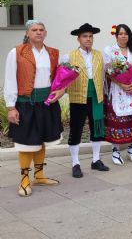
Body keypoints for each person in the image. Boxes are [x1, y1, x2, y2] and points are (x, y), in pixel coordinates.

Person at [4, 20, 64, 196]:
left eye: (41, 29)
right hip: (25, 104)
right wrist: (10, 107)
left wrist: (60, 91)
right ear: (27, 33)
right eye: (34, 30)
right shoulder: (16, 52)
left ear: (45, 33)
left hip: (47, 104)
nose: (38, 32)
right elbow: (9, 80)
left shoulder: (53, 53)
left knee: (42, 139)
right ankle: (24, 180)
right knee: (27, 143)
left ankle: (39, 175)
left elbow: (60, 79)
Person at [66, 23, 110, 177]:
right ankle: (75, 163)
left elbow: (108, 72)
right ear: (78, 39)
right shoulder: (69, 56)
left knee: (97, 127)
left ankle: (96, 160)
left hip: (96, 96)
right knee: (76, 128)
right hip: (78, 96)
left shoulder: (100, 55)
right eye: (85, 36)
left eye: (91, 36)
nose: (88, 39)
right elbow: (63, 78)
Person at [103, 24, 132, 165]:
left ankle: (131, 148)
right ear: (116, 35)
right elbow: (108, 71)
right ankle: (115, 151)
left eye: (126, 33)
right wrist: (122, 84)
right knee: (118, 120)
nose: (123, 36)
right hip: (118, 90)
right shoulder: (110, 50)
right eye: (121, 33)